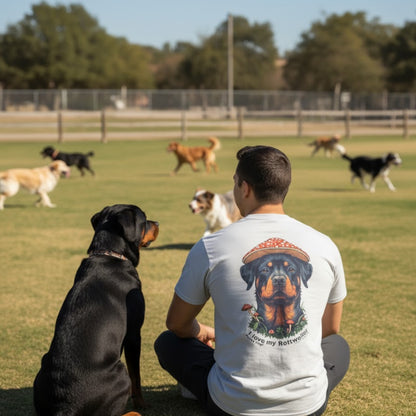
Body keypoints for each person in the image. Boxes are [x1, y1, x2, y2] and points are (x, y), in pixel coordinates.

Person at [154, 145, 349, 416]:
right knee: (338, 346)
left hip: (231, 406)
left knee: (168, 342)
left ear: (244, 188)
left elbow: (176, 323)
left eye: (234, 183)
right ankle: (303, 389)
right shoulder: (325, 245)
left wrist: (202, 332)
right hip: (306, 407)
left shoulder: (210, 246)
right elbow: (329, 328)